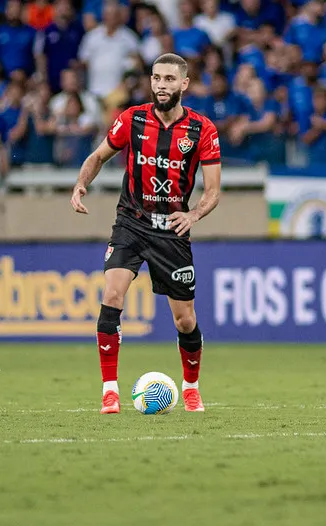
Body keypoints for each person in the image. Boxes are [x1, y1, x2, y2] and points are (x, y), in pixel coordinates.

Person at [70, 53, 222, 415]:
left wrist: (194, 214)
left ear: (183, 84)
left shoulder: (202, 130)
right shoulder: (133, 119)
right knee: (112, 293)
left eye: (169, 79)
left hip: (171, 230)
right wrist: (80, 184)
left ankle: (191, 388)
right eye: (156, 78)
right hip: (132, 223)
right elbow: (97, 156)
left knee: (184, 319)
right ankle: (110, 391)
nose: (161, 85)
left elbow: (213, 190)